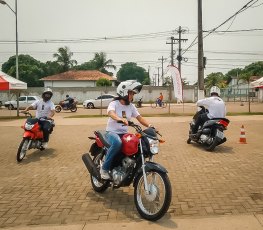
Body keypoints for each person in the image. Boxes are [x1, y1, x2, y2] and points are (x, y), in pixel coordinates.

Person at [100, 80, 156, 179]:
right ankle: (104, 169)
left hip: (124, 133)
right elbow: (111, 113)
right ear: (124, 92)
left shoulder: (131, 106)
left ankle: (128, 168)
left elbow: (140, 118)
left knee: (137, 143)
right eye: (131, 93)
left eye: (133, 94)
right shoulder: (114, 103)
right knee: (117, 143)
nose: (132, 96)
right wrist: (119, 119)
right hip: (112, 132)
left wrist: (150, 125)